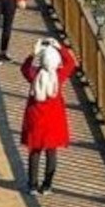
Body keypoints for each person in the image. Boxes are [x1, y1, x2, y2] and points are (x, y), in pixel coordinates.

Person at [20, 37, 77, 195]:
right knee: (51, 152)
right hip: (53, 120)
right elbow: (71, 63)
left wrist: (33, 53)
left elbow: (24, 68)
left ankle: (32, 185)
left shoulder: (34, 75)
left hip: (35, 119)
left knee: (34, 152)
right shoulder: (58, 76)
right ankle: (47, 185)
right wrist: (60, 48)